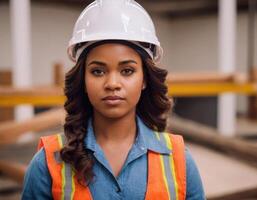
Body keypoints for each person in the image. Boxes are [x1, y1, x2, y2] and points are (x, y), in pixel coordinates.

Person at [22, 0, 205, 199]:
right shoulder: (47, 162)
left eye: (127, 71)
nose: (112, 83)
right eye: (98, 71)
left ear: (144, 79)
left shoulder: (179, 160)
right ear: (83, 79)